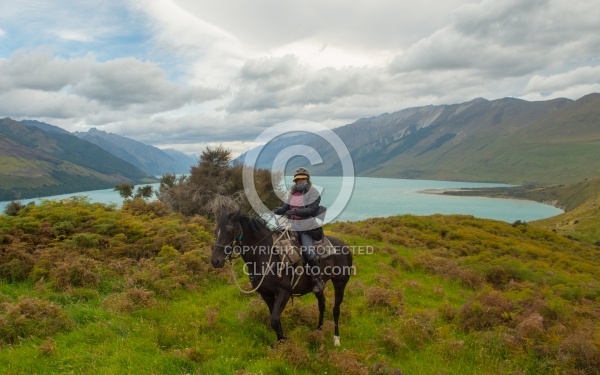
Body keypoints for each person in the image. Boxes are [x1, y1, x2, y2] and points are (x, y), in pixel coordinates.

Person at [273, 167, 325, 294]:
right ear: (295, 182)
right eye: (298, 180)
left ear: (307, 179)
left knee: (308, 251)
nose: (300, 181)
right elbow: (285, 207)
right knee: (275, 240)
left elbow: (312, 209)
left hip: (306, 227)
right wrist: (278, 210)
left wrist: (295, 211)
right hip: (291, 224)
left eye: (303, 179)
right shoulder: (292, 193)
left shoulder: (314, 193)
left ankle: (318, 280)